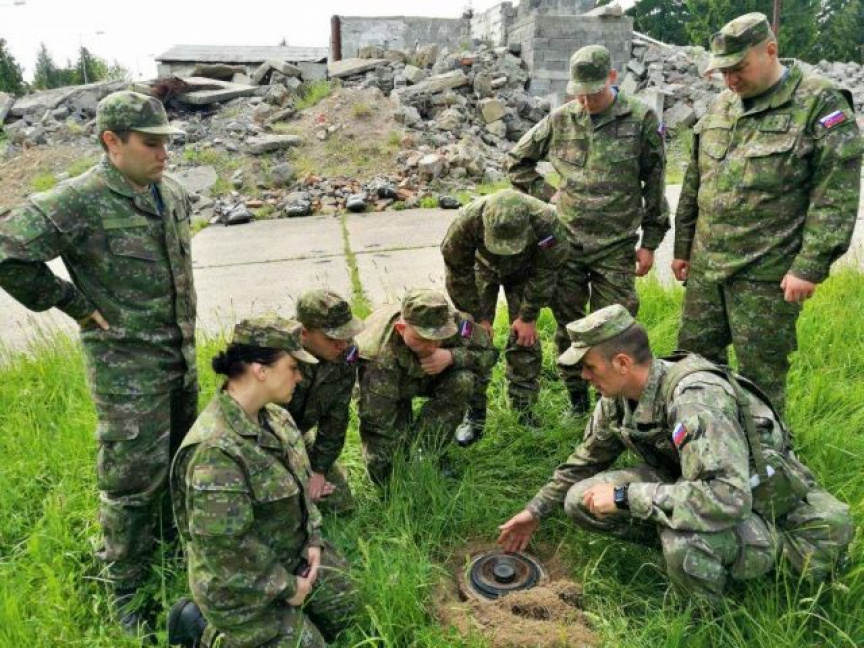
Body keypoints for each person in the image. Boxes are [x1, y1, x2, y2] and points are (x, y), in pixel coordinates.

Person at [0, 90, 197, 634]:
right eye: (150, 143)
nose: (164, 154)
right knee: (131, 483)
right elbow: (7, 250)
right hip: (126, 370)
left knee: (178, 464)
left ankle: (169, 550)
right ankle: (126, 588)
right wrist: (73, 303)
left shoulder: (170, 192)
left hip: (179, 359)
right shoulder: (79, 201)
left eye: (166, 142)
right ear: (112, 142)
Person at [498, 305, 853, 605]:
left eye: (590, 367)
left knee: (684, 546)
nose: (584, 376)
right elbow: (586, 460)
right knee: (581, 499)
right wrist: (535, 511)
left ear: (622, 362)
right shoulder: (618, 398)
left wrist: (625, 497)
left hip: (783, 525)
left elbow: (729, 497)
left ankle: (710, 617)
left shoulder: (696, 399)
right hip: (699, 489)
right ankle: (701, 552)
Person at [672, 12, 863, 413]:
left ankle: (767, 450)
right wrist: (683, 247)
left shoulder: (818, 102)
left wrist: (810, 266)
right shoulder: (722, 105)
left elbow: (835, 192)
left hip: (766, 272)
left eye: (738, 68)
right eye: (723, 71)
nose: (730, 80)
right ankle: (708, 442)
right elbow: (696, 181)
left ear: (770, 51)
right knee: (694, 365)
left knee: (760, 379)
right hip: (707, 267)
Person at [168, 316, 358, 648]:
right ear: (260, 370)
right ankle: (202, 629)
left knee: (348, 613)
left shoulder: (278, 418)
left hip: (289, 552)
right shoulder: (216, 453)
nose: (299, 377)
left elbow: (301, 490)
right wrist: (288, 588)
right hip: (240, 583)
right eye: (293, 367)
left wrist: (313, 539)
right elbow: (226, 552)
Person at [507, 44, 669, 415]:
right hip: (567, 244)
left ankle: (617, 406)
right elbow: (518, 162)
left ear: (612, 78)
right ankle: (578, 403)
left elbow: (655, 184)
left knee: (616, 329)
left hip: (616, 246)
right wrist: (549, 195)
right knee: (571, 327)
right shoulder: (560, 119)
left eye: (593, 92)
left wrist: (650, 243)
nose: (586, 100)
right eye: (579, 92)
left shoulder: (641, 118)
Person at [441, 189, 567, 443]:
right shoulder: (466, 222)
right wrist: (477, 317)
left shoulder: (546, 222)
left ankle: (524, 408)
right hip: (482, 267)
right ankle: (474, 413)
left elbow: (547, 269)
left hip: (525, 272)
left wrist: (528, 315)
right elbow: (457, 272)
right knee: (471, 339)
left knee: (525, 339)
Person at [356, 289, 497, 484]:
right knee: (389, 461)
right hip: (391, 381)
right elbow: (376, 424)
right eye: (422, 339)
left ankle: (429, 451)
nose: (431, 347)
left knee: (462, 381)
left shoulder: (455, 323)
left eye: (438, 338)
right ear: (401, 329)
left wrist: (452, 357)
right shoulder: (375, 356)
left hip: (435, 374)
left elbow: (489, 353)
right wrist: (388, 482)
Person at [289, 289, 365, 513]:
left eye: (346, 335)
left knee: (340, 505)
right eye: (333, 338)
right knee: (288, 508)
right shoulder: (276, 354)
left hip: (298, 433)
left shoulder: (346, 353)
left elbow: (336, 416)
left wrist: (318, 470)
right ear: (304, 333)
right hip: (262, 442)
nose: (343, 345)